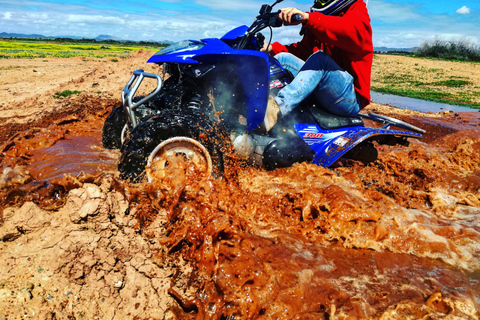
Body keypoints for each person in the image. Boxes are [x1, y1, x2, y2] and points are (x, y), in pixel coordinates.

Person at [261, 0, 373, 132]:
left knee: (320, 59)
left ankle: (277, 110)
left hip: (350, 100)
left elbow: (349, 31)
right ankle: (257, 102)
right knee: (281, 59)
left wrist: (308, 18)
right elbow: (302, 52)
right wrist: (271, 47)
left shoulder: (356, 10)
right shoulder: (321, 19)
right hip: (325, 93)